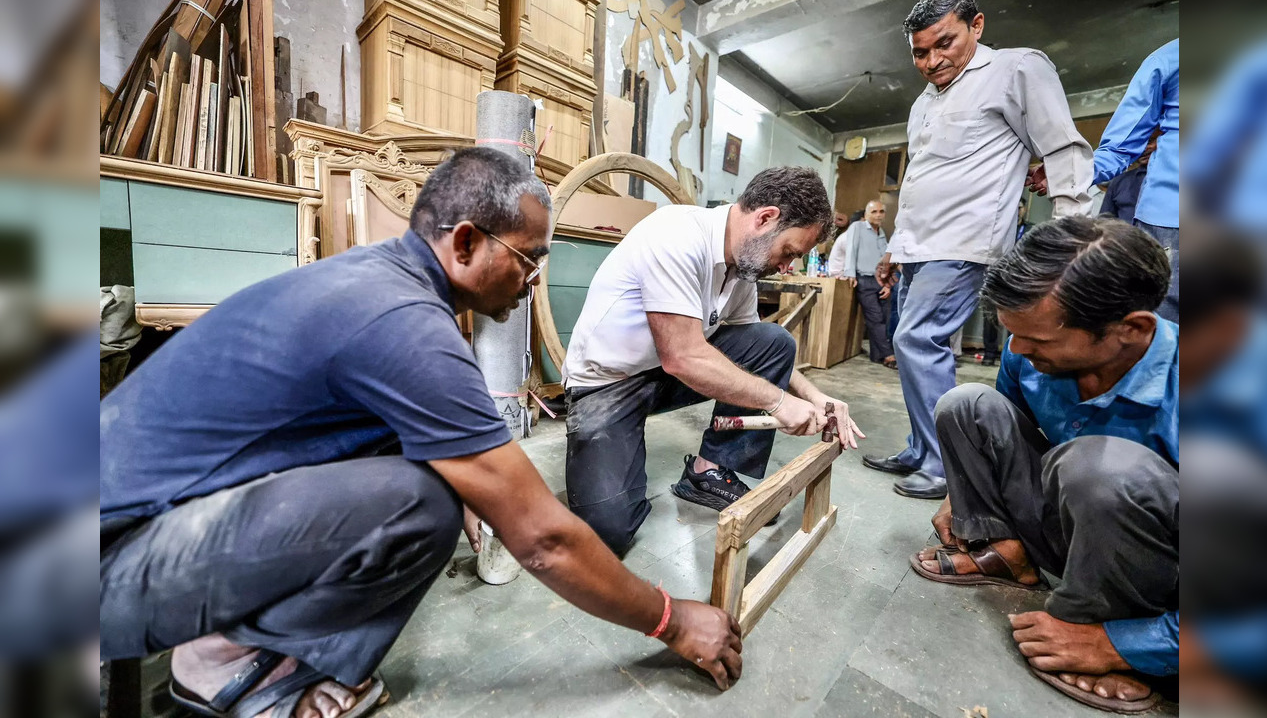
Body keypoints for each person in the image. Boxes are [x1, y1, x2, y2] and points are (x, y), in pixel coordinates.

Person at [99, 148, 748, 718]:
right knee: (420, 507)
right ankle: (220, 664)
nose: (533, 280)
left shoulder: (377, 278)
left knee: (435, 480)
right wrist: (671, 619)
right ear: (464, 243)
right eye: (529, 258)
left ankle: (254, 651)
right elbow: (544, 540)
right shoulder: (403, 323)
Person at [909, 216, 1177, 713]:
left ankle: (1099, 626)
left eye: (1040, 342)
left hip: (1168, 575)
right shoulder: (1027, 349)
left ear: (1131, 328)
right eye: (1012, 334)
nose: (1016, 351)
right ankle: (1011, 556)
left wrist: (1126, 642)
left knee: (1100, 467)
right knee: (967, 404)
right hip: (1077, 523)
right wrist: (963, 495)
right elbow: (1000, 426)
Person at [561, 167, 864, 555]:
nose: (787, 267)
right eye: (789, 253)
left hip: (665, 372)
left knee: (774, 342)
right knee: (607, 533)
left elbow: (755, 350)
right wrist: (779, 403)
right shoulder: (676, 235)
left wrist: (814, 395)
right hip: (609, 384)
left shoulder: (743, 267)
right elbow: (683, 357)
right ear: (765, 218)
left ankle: (708, 472)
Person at [863, 0, 1094, 500]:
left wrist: (1067, 242)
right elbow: (920, 179)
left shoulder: (1017, 68)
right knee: (916, 348)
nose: (932, 61)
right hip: (917, 247)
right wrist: (893, 250)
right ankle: (922, 447)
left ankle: (950, 465)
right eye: (920, 53)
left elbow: (1063, 149)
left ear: (977, 25)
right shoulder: (923, 102)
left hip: (965, 242)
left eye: (944, 43)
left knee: (915, 341)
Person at [1083, 40, 1179, 320]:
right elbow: (1118, 148)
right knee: (1163, 336)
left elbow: (1119, 148)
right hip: (1173, 224)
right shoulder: (1169, 60)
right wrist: (1066, 174)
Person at [838, 201, 896, 368]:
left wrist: (887, 284)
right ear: (867, 214)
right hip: (864, 279)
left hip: (881, 281)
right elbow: (851, 249)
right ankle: (888, 355)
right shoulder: (857, 227)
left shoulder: (881, 232)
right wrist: (850, 273)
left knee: (884, 318)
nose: (878, 214)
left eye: (881, 211)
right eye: (874, 211)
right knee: (875, 318)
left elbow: (885, 260)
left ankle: (877, 356)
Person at [979, 197, 1032, 365]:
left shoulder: (1030, 230)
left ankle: (1011, 358)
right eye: (1014, 207)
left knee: (1015, 320)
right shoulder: (997, 229)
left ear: (1024, 209)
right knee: (991, 319)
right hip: (995, 279)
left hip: (1019, 282)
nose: (1017, 211)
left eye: (1020, 207)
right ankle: (989, 353)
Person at [1100, 135, 1158, 225]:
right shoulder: (1120, 182)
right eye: (1136, 145)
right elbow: (1103, 225)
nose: (1143, 149)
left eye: (1149, 141)